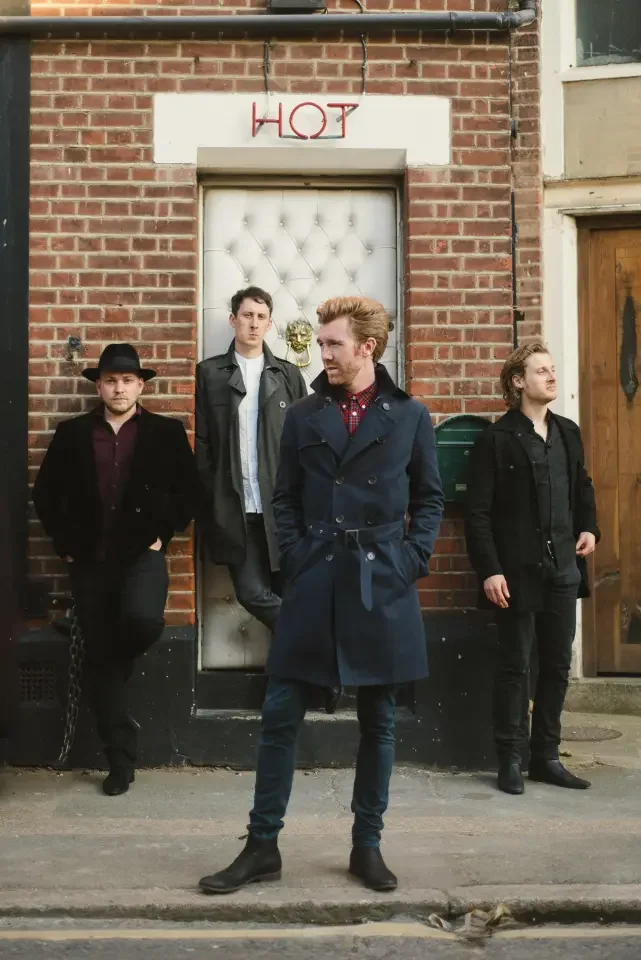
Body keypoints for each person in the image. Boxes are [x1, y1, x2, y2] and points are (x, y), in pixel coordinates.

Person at [198, 296, 444, 895]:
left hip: (381, 580)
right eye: (322, 343)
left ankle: (367, 846)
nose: (321, 353)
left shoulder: (410, 416)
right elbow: (284, 498)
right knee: (280, 712)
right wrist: (299, 555)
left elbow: (431, 499)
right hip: (313, 580)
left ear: (367, 347)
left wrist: (411, 560)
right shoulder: (306, 413)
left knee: (379, 720)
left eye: (333, 344)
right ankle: (262, 846)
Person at [33, 343, 201, 796]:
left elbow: (190, 492)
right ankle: (120, 759)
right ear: (99, 385)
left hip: (141, 555)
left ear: (140, 385)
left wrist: (162, 536)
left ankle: (104, 650)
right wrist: (66, 546)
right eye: (111, 380)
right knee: (102, 650)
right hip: (89, 560)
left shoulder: (165, 432)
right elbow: (45, 494)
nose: (119, 387)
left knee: (138, 624)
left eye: (127, 380)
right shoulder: (72, 434)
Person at [196, 288, 344, 711]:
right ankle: (322, 658)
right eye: (246, 315)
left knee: (290, 593)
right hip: (235, 509)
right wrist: (210, 501)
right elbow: (204, 445)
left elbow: (305, 443)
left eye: (262, 315)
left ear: (271, 322)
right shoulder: (209, 374)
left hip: (282, 512)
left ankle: (295, 689)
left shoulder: (285, 375)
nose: (254, 322)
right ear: (233, 319)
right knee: (252, 592)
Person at [465, 342, 599, 796]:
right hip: (517, 574)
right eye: (541, 371)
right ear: (518, 381)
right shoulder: (495, 439)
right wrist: (490, 569)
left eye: (553, 370)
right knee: (515, 665)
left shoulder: (568, 433)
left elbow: (583, 485)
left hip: (565, 568)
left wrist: (590, 529)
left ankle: (546, 757)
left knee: (557, 665)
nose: (552, 377)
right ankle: (510, 759)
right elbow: (478, 513)